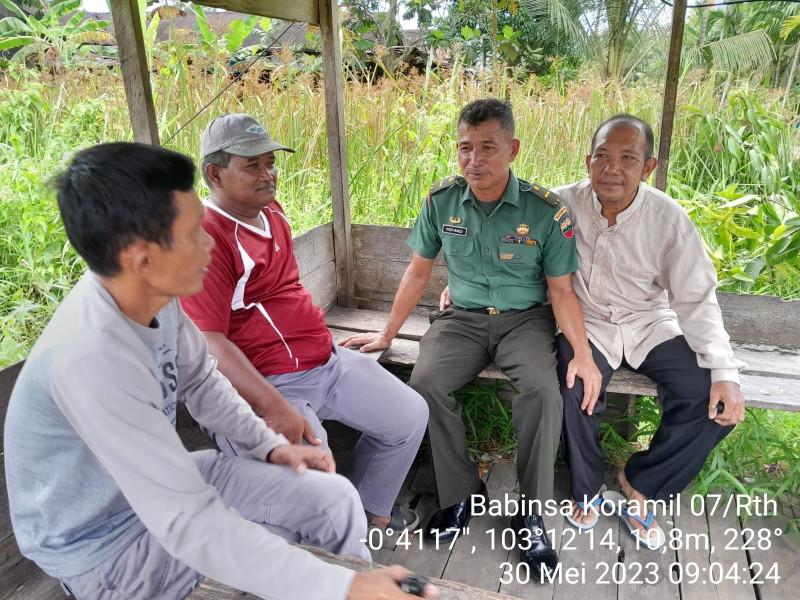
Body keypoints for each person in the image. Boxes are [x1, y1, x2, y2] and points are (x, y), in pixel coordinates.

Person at [3, 142, 435, 600]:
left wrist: (270, 447)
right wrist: (341, 586)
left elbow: (203, 382)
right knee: (281, 554)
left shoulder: (155, 299)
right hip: (105, 543)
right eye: (194, 232)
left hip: (166, 485)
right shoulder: (92, 360)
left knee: (334, 500)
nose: (210, 241)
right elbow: (188, 523)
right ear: (142, 258)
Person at [340, 99, 601, 581]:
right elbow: (418, 272)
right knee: (425, 383)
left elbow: (562, 291)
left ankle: (532, 512)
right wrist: (387, 332)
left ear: (513, 149)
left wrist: (582, 355)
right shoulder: (441, 201)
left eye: (487, 148)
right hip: (460, 318)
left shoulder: (545, 212)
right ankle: (461, 494)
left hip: (526, 321)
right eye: (465, 148)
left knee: (543, 392)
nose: (474, 160)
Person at [179, 114, 429, 533]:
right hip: (270, 384)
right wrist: (271, 407)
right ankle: (319, 546)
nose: (268, 175)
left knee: (408, 416)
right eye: (252, 165)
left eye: (270, 163)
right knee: (312, 485)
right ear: (214, 173)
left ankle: (369, 511)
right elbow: (208, 341)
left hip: (325, 359)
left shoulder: (270, 212)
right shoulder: (207, 237)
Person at [552, 114, 746, 549]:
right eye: (602, 156)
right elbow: (514, 242)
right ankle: (586, 491)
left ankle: (641, 483)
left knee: (708, 396)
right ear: (588, 161)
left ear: (648, 167)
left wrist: (725, 371)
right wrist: (466, 281)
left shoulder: (668, 220)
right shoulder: (560, 204)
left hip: (649, 322)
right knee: (574, 382)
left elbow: (696, 299)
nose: (612, 169)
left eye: (627, 158)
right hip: (589, 323)